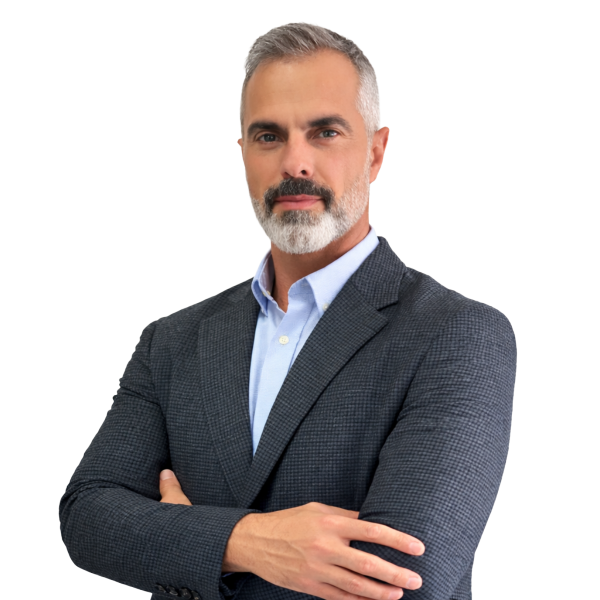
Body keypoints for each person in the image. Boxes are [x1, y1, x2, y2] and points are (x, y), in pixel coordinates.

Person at [59, 22, 517, 600]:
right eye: (269, 136)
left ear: (376, 152)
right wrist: (249, 541)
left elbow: (404, 580)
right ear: (243, 154)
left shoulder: (458, 333)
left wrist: (181, 538)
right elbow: (86, 517)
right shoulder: (171, 341)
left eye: (325, 132)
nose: (295, 162)